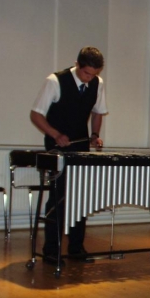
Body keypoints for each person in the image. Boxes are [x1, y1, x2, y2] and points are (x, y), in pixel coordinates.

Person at [30, 47, 108, 264]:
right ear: (77, 64)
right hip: (57, 148)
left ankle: (76, 248)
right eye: (86, 73)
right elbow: (36, 114)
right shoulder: (55, 81)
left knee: (81, 197)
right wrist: (56, 134)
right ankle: (51, 250)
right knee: (59, 197)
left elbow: (98, 112)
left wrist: (94, 135)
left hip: (80, 147)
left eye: (94, 74)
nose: (89, 78)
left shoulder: (98, 83)